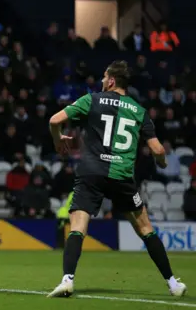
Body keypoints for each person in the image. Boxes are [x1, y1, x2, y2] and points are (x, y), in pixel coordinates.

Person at [47, 61, 187, 298]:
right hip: (122, 176)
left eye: (103, 77)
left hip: (92, 172)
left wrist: (57, 139)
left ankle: (67, 279)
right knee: (145, 229)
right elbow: (158, 151)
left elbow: (54, 120)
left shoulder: (92, 99)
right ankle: (173, 283)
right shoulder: (139, 111)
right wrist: (161, 164)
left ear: (111, 80)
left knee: (78, 226)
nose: (102, 81)